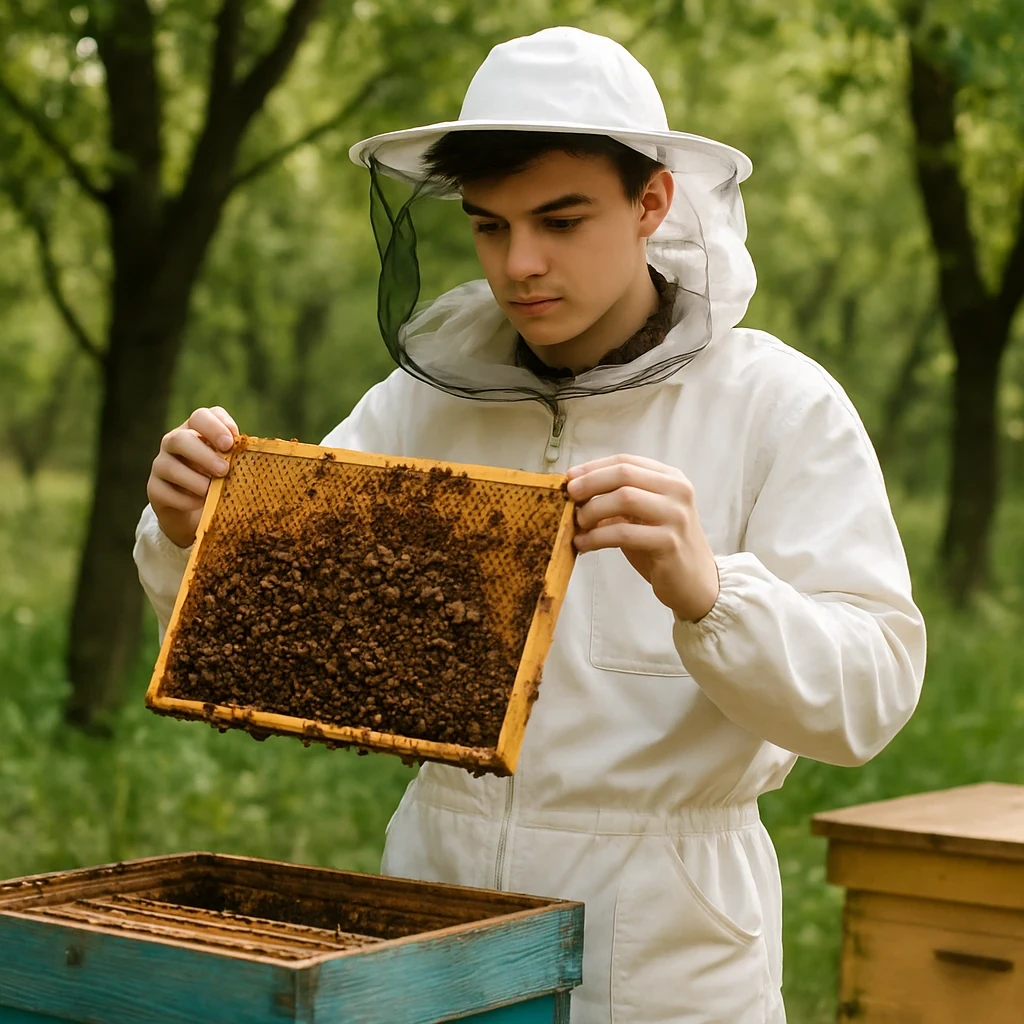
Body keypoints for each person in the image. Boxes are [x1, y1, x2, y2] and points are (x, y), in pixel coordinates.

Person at [135, 26, 926, 1024]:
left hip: (665, 952)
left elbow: (868, 697)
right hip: (437, 913)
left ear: (651, 202)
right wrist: (189, 525)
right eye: (489, 225)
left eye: (560, 220)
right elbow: (269, 626)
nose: (521, 263)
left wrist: (711, 590)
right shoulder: (416, 406)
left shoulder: (778, 406)